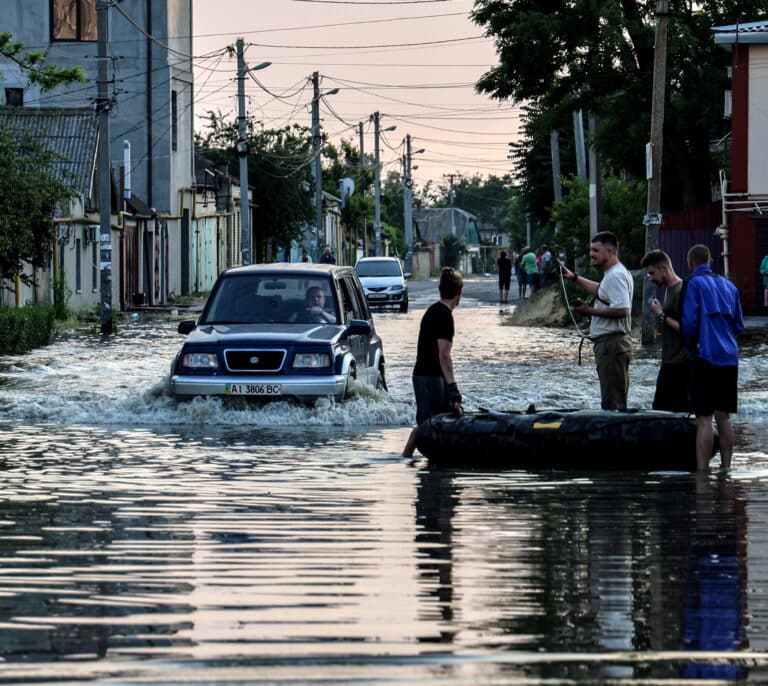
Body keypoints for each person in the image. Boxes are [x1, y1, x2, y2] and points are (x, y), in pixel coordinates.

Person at [680, 244, 744, 470]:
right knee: (724, 417)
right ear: (710, 261)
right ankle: (726, 468)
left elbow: (689, 324)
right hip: (730, 357)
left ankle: (702, 473)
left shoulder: (692, 283)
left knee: (704, 419)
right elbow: (739, 325)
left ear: (690, 263)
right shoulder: (730, 286)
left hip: (705, 356)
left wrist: (691, 347)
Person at [559, 231, 634, 410]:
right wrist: (574, 278)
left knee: (613, 403)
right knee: (612, 399)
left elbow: (623, 309)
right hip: (610, 345)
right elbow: (601, 290)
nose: (591, 254)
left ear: (609, 252)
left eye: (595, 250)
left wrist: (589, 311)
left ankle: (613, 437)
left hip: (612, 345)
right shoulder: (613, 274)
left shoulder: (616, 276)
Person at [402, 267, 464, 457]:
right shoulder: (444, 316)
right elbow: (444, 355)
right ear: (459, 293)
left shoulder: (434, 311)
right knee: (428, 426)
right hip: (429, 377)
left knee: (437, 422)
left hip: (428, 376)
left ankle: (421, 462)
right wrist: (453, 388)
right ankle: (405, 459)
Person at [641, 249, 692, 412]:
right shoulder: (669, 290)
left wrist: (661, 315)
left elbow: (687, 329)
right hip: (670, 361)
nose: (650, 278)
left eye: (651, 273)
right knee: (660, 408)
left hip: (681, 363)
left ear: (664, 269)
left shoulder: (682, 290)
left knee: (677, 411)